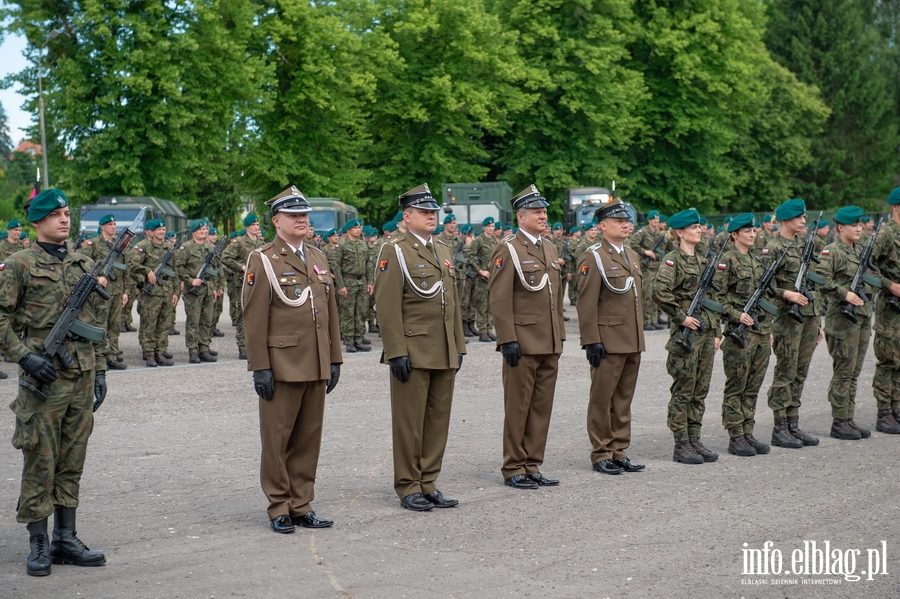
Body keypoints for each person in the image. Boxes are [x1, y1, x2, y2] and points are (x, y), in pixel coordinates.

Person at [1, 189, 107, 576]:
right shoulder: (19, 264)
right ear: (37, 221)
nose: (65, 219)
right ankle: (39, 541)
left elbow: (96, 323)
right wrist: (24, 356)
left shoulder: (84, 263)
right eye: (56, 214)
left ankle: (66, 537)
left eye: (66, 213)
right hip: (42, 377)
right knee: (40, 459)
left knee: (72, 458)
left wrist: (102, 371)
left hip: (81, 375)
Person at [243, 185, 342, 533]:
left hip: (315, 360)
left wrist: (334, 358)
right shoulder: (263, 258)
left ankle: (302, 503)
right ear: (276, 221)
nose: (302, 220)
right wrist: (260, 367)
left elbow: (330, 310)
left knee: (308, 437)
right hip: (282, 363)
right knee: (278, 438)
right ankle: (279, 506)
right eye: (294, 215)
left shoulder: (317, 256)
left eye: (305, 215)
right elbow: (254, 317)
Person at [373, 183, 465, 511]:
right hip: (412, 347)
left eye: (433, 212)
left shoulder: (442, 249)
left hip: (442, 347)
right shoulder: (394, 249)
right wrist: (395, 350)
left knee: (438, 419)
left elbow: (450, 300)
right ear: (407, 216)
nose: (431, 216)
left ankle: (429, 481)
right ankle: (408, 484)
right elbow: (386, 305)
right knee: (409, 422)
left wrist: (458, 345)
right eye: (424, 212)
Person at [489, 185, 565, 489]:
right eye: (537, 212)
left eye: (544, 211)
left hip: (548, 340)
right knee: (519, 406)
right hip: (522, 340)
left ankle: (533, 463)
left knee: (541, 406)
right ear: (521, 217)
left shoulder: (550, 248)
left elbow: (555, 297)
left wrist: (559, 336)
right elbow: (499, 297)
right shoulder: (508, 248)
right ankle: (513, 466)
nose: (543, 215)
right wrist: (507, 338)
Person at [576, 198, 645, 475]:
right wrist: (591, 339)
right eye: (619, 221)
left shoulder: (632, 256)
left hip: (631, 339)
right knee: (602, 399)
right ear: (603, 226)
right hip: (607, 340)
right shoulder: (593, 256)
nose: (626, 225)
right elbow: (586, 302)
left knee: (623, 400)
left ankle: (619, 449)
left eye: (627, 221)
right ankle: (601, 452)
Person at [652, 208, 721, 465]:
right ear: (680, 232)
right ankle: (681, 443)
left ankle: (695, 438)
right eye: (693, 227)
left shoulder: (703, 261)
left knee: (700, 390)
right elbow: (659, 291)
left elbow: (713, 300)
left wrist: (716, 332)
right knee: (684, 389)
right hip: (686, 336)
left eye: (699, 226)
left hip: (705, 335)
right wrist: (681, 317)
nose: (699, 230)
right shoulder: (673, 259)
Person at [764, 199, 822, 449]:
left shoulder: (804, 245)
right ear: (786, 220)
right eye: (799, 218)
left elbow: (812, 285)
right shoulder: (774, 247)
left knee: (800, 371)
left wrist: (817, 321)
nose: (803, 221)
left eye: (804, 218)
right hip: (787, 318)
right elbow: (764, 284)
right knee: (786, 371)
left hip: (807, 317)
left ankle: (792, 424)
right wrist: (785, 294)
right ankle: (779, 428)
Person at [714, 214, 773, 457]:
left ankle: (748, 431)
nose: (752, 233)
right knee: (737, 386)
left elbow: (766, 299)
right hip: (739, 335)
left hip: (759, 333)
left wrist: (768, 330)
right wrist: (735, 314)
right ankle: (735, 435)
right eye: (746, 230)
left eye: (754, 230)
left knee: (753, 386)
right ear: (734, 234)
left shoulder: (757, 262)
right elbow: (715, 298)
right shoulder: (726, 261)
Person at [820, 206, 876, 440]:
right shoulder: (831, 251)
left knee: (854, 372)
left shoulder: (861, 250)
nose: (858, 228)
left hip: (861, 317)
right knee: (843, 371)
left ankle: (848, 418)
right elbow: (821, 279)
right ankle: (839, 421)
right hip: (842, 320)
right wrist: (844, 293)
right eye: (854, 224)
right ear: (840, 227)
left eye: (860, 224)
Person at [127, 219, 179, 367]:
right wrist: (147, 271)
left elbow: (175, 272)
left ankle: (160, 352)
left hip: (166, 292)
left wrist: (175, 292)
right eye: (158, 229)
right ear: (152, 232)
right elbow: (132, 265)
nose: (162, 232)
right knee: (149, 324)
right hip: (151, 294)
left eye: (163, 229)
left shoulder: (169, 248)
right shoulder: (142, 247)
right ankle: (149, 353)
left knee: (164, 324)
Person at [83, 214, 129, 371]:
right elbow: (83, 264)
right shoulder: (93, 243)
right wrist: (97, 278)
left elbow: (125, 269)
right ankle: (100, 357)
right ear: (102, 227)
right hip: (101, 291)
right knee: (100, 325)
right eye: (110, 224)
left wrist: (125, 292)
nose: (113, 227)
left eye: (115, 224)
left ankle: (112, 355)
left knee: (114, 325)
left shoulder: (119, 245)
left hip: (117, 290)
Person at [221, 214, 266, 360]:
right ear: (247, 227)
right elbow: (226, 257)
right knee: (243, 315)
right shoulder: (239, 242)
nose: (256, 227)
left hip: (259, 284)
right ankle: (242, 346)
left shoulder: (261, 242)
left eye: (257, 225)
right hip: (243, 284)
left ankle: (256, 346)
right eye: (253, 225)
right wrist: (241, 267)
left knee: (259, 316)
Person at [174, 219, 219, 363]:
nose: (204, 231)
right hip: (193, 291)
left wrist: (216, 287)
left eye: (206, 229)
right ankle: (193, 350)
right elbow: (178, 268)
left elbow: (216, 269)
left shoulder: (210, 247)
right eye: (201, 229)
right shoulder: (185, 248)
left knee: (207, 320)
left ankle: (204, 348)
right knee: (193, 321)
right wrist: (190, 280)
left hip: (207, 289)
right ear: (193, 232)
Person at [333, 218, 373, 353]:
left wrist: (370, 282)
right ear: (348, 230)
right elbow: (336, 266)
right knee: (348, 312)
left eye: (359, 227)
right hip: (348, 282)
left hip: (361, 282)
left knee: (361, 312)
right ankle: (349, 341)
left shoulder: (363, 245)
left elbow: (368, 263)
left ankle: (359, 339)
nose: (358, 230)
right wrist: (340, 285)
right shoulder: (342, 245)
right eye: (355, 228)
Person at [468, 217, 498, 341]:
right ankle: (482, 332)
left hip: (493, 278)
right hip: (481, 279)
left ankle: (489, 329)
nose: (491, 229)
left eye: (492, 226)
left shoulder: (495, 241)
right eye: (489, 226)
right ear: (484, 227)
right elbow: (470, 257)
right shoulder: (479, 241)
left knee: (491, 305)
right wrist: (481, 271)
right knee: (482, 305)